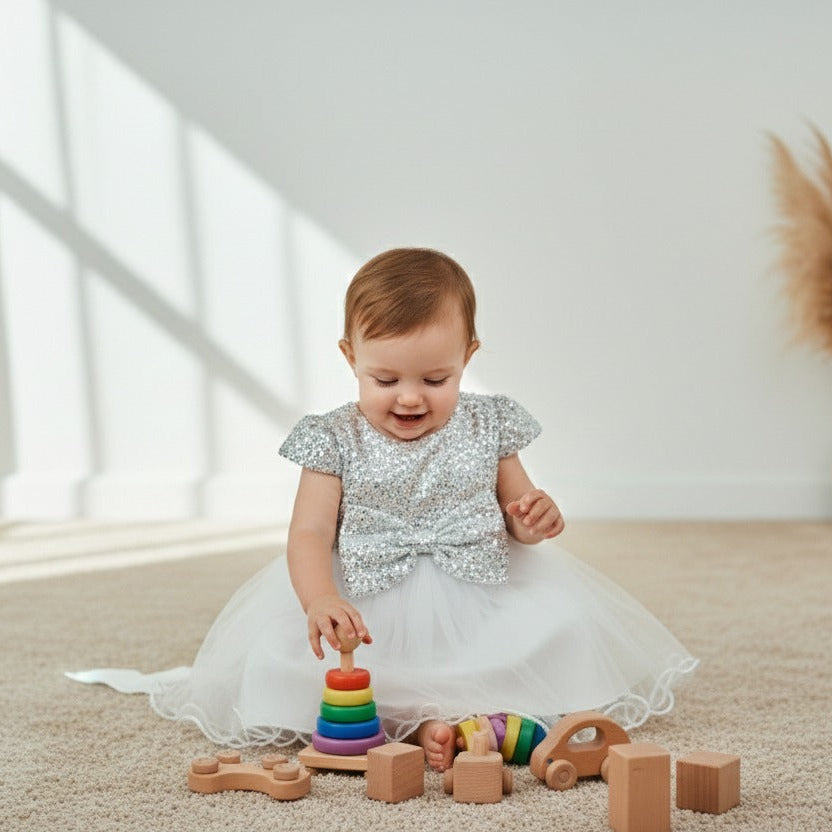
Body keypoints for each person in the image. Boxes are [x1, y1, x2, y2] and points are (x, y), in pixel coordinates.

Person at [68, 248, 697, 771]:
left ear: (468, 358)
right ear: (350, 358)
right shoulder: (334, 437)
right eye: (385, 379)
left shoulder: (489, 424)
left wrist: (534, 520)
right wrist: (318, 600)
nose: (409, 398)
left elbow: (518, 512)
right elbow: (310, 534)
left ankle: (465, 723)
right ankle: (432, 722)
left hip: (480, 592)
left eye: (435, 379)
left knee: (554, 632)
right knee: (299, 667)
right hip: (365, 604)